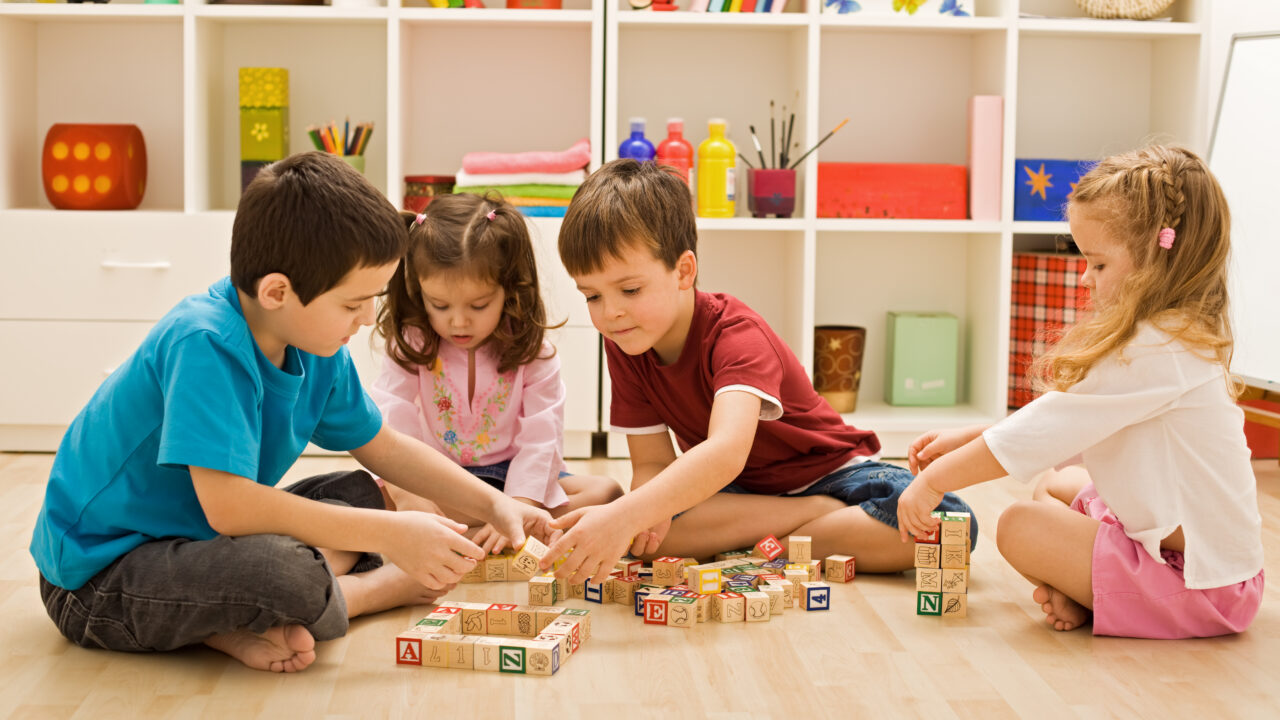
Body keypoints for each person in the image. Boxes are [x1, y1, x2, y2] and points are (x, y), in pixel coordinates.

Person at [29, 152, 552, 673]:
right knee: (287, 574)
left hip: (198, 542)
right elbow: (230, 509)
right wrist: (393, 538)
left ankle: (232, 621)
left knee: (364, 492)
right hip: (99, 578)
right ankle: (362, 592)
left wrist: (492, 504)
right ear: (278, 292)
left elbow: (384, 448)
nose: (368, 319)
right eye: (353, 304)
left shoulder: (316, 343)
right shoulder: (205, 343)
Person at [542, 158, 975, 582]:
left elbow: (725, 452)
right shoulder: (627, 340)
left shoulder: (736, 334)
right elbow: (653, 464)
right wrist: (641, 515)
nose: (610, 313)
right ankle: (810, 522)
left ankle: (788, 532)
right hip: (742, 493)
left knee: (951, 526)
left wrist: (627, 516)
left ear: (683, 271)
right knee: (658, 535)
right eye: (591, 297)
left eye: (629, 289)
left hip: (833, 474)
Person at [897, 145, 1265, 639]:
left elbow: (1047, 428)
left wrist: (934, 481)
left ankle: (1100, 596)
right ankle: (1092, 592)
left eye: (1097, 264)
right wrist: (968, 439)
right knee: (1051, 486)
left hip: (1202, 584)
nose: (1084, 278)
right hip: (1203, 558)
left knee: (1019, 525)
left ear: (1159, 255)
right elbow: (1064, 425)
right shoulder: (1171, 334)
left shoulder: (1155, 350)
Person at [369, 193, 621, 553]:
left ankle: (478, 533)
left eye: (479, 304)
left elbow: (542, 437)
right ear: (417, 290)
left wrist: (519, 506)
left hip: (512, 481)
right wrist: (410, 495)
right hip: (440, 480)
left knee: (606, 493)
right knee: (372, 498)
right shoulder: (414, 342)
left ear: (510, 289)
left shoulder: (534, 353)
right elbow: (391, 417)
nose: (458, 321)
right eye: (439, 305)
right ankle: (474, 532)